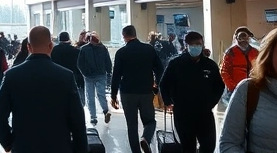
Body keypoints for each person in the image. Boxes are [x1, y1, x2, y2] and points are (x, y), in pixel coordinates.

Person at [0, 26, 86, 153]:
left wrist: (8, 143)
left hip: (23, 146)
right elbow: (77, 119)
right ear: (50, 46)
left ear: (28, 47)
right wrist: (80, 148)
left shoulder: (12, 76)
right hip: (59, 146)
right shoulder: (66, 76)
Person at [158, 31, 225, 153]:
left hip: (204, 113)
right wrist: (168, 102)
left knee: (208, 145)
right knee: (188, 147)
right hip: (183, 113)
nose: (196, 47)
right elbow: (164, 84)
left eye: (198, 44)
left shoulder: (210, 65)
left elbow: (219, 86)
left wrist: (211, 103)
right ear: (186, 45)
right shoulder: (176, 64)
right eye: (192, 44)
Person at [109, 25, 163, 153]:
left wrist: (113, 95)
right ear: (135, 34)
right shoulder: (149, 49)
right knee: (150, 121)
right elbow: (159, 69)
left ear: (124, 36)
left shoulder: (121, 52)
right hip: (146, 91)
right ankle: (146, 138)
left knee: (132, 126)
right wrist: (157, 85)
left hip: (127, 93)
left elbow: (116, 75)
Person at [77, 30, 112, 126]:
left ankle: (93, 117)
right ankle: (105, 110)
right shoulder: (103, 48)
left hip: (88, 76)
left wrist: (84, 73)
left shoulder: (83, 49)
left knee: (90, 96)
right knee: (101, 94)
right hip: (101, 74)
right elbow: (108, 61)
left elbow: (79, 63)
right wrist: (109, 72)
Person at [221, 27, 259, 96]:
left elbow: (260, 69)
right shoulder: (230, 52)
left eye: (245, 37)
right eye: (241, 37)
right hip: (235, 89)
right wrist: (232, 87)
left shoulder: (255, 52)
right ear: (236, 38)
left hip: (253, 87)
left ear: (249, 38)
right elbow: (224, 71)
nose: (243, 40)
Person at [50, 31, 84, 105]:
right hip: (73, 75)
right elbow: (80, 65)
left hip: (58, 76)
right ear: (68, 39)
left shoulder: (53, 51)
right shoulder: (76, 51)